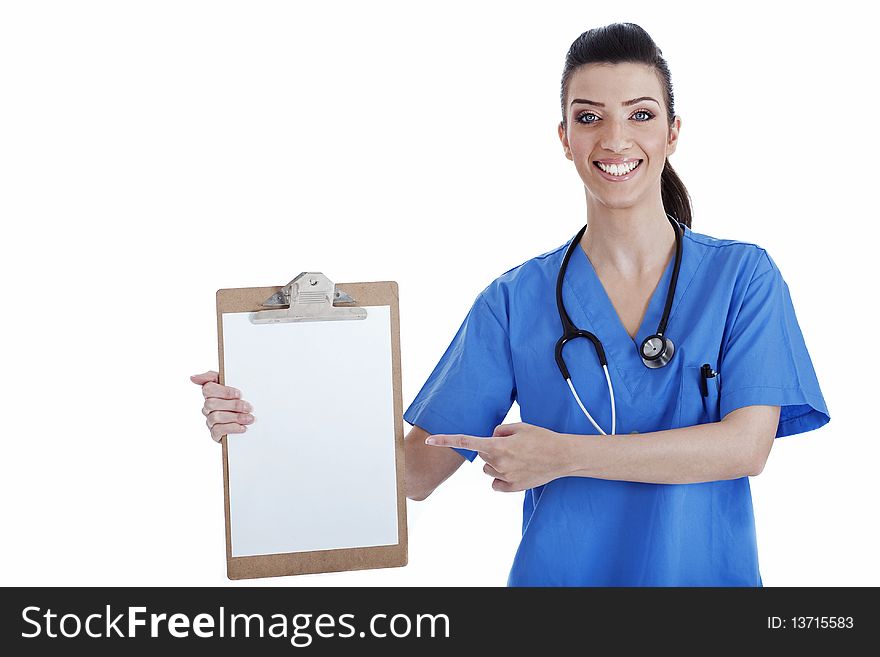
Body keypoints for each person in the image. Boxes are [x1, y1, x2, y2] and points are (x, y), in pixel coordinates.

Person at [192, 23, 830, 586]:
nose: (614, 138)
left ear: (673, 131)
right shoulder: (513, 301)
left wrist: (564, 455)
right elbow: (414, 474)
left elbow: (745, 448)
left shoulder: (743, 277)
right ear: (564, 137)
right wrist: (269, 415)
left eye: (640, 114)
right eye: (589, 117)